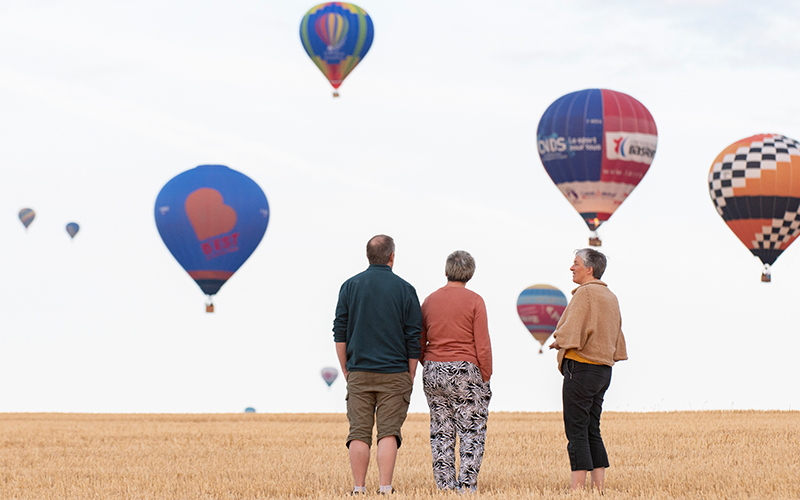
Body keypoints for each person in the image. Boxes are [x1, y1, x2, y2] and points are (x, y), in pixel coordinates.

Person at [333, 235, 423, 495]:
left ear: (367, 256)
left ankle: (358, 489)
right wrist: (411, 372)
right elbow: (413, 335)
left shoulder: (349, 286)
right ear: (392, 257)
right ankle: (385, 489)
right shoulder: (406, 289)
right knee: (388, 433)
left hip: (359, 371)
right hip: (395, 373)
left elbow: (340, 331)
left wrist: (346, 369)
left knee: (359, 433)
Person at [549, 248, 627, 492]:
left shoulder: (585, 294)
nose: (572, 268)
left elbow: (572, 329)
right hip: (603, 370)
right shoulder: (610, 296)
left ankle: (576, 489)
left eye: (576, 263)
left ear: (589, 269)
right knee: (593, 427)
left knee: (576, 428)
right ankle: (599, 488)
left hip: (581, 368)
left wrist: (558, 340)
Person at [419, 250, 492, 493]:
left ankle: (445, 489)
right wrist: (486, 374)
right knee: (471, 431)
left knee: (441, 431)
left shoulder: (429, 300)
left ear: (446, 271)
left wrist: (429, 363)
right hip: (465, 371)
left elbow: (420, 339)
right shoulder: (475, 300)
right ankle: (467, 488)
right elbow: (482, 343)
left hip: (433, 370)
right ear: (470, 274)